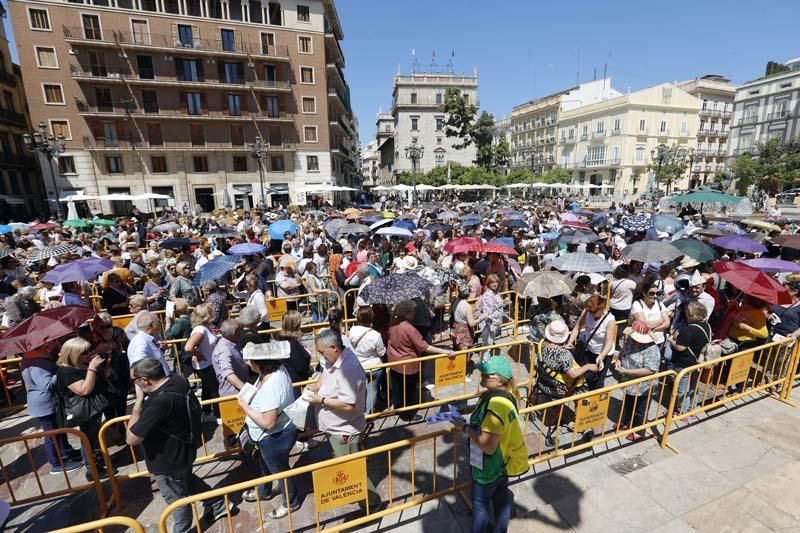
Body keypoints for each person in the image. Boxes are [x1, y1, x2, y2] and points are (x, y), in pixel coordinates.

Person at [126, 359, 228, 533]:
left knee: (177, 499)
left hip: (167, 461)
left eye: (134, 381)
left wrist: (137, 405)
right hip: (185, 451)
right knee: (187, 480)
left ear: (145, 380)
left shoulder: (157, 403)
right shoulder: (179, 380)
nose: (134, 385)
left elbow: (131, 438)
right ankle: (217, 504)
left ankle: (182, 530)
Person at [449, 356, 529, 533]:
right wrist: (468, 410)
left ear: (499, 378)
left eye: (487, 374)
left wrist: (464, 427)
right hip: (503, 461)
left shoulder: (496, 405)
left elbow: (487, 445)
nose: (482, 377)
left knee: (480, 504)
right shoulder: (501, 395)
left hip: (489, 464)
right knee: (501, 495)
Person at [304, 329, 382, 511]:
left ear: (333, 347)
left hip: (344, 429)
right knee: (345, 463)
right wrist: (315, 387)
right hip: (334, 426)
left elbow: (350, 405)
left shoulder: (350, 369)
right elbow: (325, 372)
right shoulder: (332, 358)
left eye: (322, 352)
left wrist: (320, 400)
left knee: (350, 469)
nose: (320, 356)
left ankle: (372, 502)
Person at [238, 341, 299, 516]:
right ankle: (264, 491)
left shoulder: (271, 386)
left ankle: (290, 502)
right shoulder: (277, 369)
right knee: (265, 465)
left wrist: (246, 408)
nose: (247, 363)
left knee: (280, 472)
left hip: (274, 436)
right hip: (268, 435)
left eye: (250, 361)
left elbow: (268, 422)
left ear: (260, 363)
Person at [387, 300, 454, 422]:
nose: (414, 313)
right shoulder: (409, 328)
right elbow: (424, 346)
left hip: (394, 363)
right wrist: (445, 351)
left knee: (398, 389)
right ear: (407, 313)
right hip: (408, 365)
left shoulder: (393, 323)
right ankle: (408, 415)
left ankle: (398, 410)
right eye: (412, 311)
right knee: (409, 392)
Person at [22, 339, 83, 474]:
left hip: (46, 402)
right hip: (44, 404)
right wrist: (61, 372)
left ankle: (66, 452)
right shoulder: (37, 364)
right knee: (51, 434)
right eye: (44, 345)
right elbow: (47, 385)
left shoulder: (33, 359)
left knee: (58, 429)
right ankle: (55, 464)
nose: (48, 346)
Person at [56, 337, 110, 480]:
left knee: (95, 437)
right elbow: (84, 390)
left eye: (89, 350)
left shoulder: (81, 364)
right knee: (88, 439)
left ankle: (99, 462)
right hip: (85, 411)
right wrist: (92, 367)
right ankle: (92, 469)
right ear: (74, 353)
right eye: (84, 352)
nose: (89, 354)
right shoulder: (66, 371)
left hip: (94, 409)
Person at [534, 320, 594, 446]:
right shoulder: (563, 354)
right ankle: (582, 423)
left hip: (544, 382)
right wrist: (588, 366)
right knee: (582, 388)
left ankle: (570, 419)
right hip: (558, 388)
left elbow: (553, 356)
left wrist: (561, 347)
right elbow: (573, 374)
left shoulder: (541, 344)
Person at [612, 321, 661, 441]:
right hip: (630, 383)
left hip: (644, 386)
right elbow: (624, 350)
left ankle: (639, 431)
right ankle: (627, 423)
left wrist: (627, 372)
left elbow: (650, 370)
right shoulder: (630, 340)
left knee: (641, 408)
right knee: (628, 403)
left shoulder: (652, 349)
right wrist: (618, 359)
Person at [669, 301, 712, 414]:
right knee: (693, 386)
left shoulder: (689, 330)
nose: (685, 313)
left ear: (692, 314)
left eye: (687, 311)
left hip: (684, 363)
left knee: (682, 388)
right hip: (698, 362)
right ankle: (692, 407)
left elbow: (680, 347)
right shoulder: (707, 326)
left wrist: (672, 340)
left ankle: (682, 412)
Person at [567, 295, 616, 390]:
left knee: (598, 382)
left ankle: (596, 400)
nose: (592, 314)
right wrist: (570, 341)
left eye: (594, 312)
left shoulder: (610, 320)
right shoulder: (587, 311)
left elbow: (609, 342)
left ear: (602, 309)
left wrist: (601, 356)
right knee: (588, 376)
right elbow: (577, 327)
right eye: (590, 312)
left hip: (603, 353)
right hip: (588, 349)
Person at [184, 303, 220, 420]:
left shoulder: (204, 327)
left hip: (208, 363)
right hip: (206, 365)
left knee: (206, 388)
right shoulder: (200, 329)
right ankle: (218, 415)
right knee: (214, 390)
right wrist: (198, 355)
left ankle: (206, 412)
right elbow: (188, 347)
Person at [348, 306, 386, 414]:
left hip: (359, 365)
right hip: (374, 366)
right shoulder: (376, 335)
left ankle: (360, 410)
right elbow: (381, 352)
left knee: (360, 391)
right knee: (373, 390)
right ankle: (368, 413)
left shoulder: (353, 330)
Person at [274, 311, 312, 392]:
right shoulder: (291, 343)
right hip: (294, 384)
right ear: (295, 325)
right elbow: (299, 366)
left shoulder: (287, 339)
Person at [212, 319, 250, 398]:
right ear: (234, 333)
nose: (243, 331)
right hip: (233, 395)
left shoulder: (232, 343)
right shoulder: (224, 350)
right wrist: (247, 390)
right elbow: (228, 374)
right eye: (241, 329)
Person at [630, 280, 671, 350]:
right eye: (652, 293)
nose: (655, 296)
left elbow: (667, 323)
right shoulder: (637, 304)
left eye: (657, 293)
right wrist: (660, 321)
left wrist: (654, 329)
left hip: (659, 341)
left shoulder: (659, 304)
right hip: (642, 342)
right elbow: (644, 325)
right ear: (644, 293)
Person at [478, 274, 504, 360]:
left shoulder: (495, 293)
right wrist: (492, 325)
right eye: (492, 282)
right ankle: (485, 364)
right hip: (489, 325)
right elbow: (487, 313)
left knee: (489, 343)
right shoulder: (488, 295)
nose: (495, 284)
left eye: (496, 282)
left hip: (494, 323)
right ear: (488, 283)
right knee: (487, 345)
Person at [450, 284, 482, 351]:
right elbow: (471, 323)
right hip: (465, 332)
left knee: (457, 350)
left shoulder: (455, 301)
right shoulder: (467, 306)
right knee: (464, 353)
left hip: (457, 328)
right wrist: (481, 318)